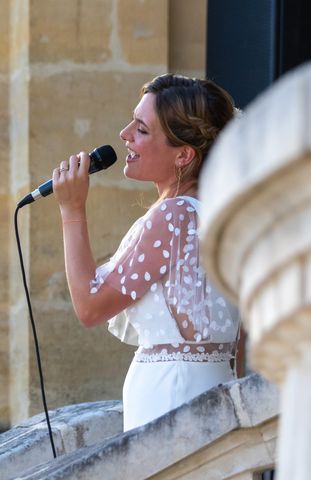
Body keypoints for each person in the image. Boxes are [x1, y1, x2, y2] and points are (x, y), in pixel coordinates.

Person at [52, 73, 240, 431]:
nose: (124, 134)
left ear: (183, 154)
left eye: (141, 129)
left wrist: (72, 210)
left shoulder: (174, 216)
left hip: (169, 398)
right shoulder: (220, 214)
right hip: (215, 394)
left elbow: (90, 307)